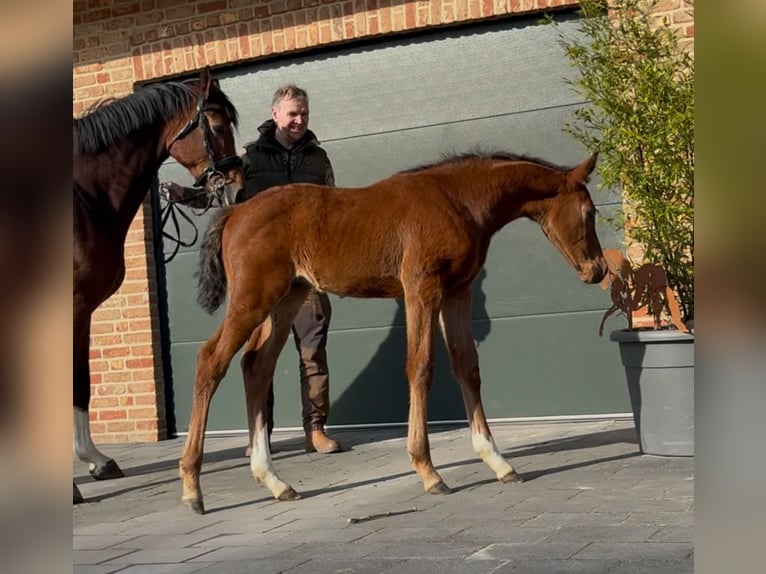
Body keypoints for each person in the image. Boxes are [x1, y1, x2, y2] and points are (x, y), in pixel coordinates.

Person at [161, 85, 342, 454]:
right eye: (292, 113)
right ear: (275, 114)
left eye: (304, 113)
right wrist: (185, 195)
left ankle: (316, 429)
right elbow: (219, 193)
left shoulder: (318, 159)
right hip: (265, 274)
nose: (299, 120)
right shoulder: (250, 158)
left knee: (313, 351)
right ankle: (261, 433)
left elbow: (334, 208)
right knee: (261, 353)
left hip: (310, 269)